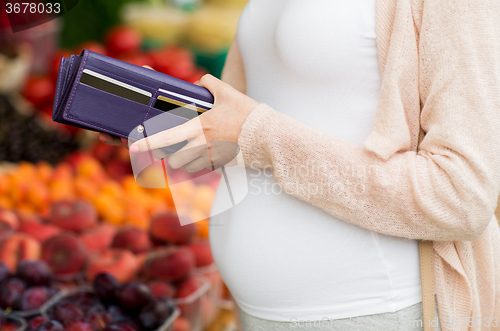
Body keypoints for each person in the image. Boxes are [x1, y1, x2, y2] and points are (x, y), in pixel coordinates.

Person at [99, 0, 500, 329]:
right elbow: (247, 134)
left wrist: (259, 136)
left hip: (365, 310)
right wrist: (170, 119)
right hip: (255, 310)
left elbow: (460, 195)